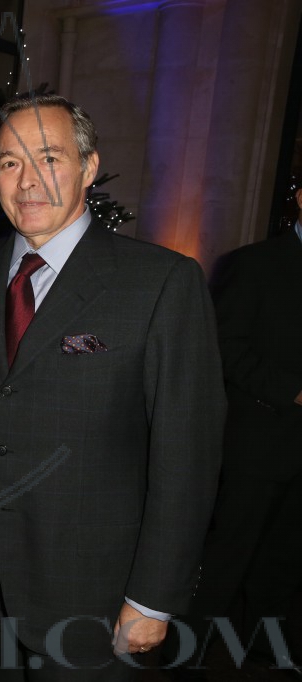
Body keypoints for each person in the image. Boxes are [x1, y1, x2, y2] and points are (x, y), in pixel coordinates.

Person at [0, 93, 225, 681]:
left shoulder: (160, 283)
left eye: (48, 158)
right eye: (9, 162)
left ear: (89, 167)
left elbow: (186, 454)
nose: (27, 181)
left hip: (96, 597)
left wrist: (153, 598)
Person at [169, 185, 302, 675]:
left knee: (286, 561)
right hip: (259, 439)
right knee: (227, 557)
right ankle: (185, 654)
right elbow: (223, 345)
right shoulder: (255, 264)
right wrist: (291, 390)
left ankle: (268, 652)